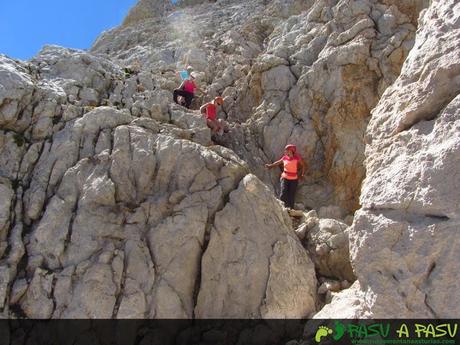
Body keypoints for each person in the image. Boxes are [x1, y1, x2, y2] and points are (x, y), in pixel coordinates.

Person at [265, 144, 305, 209]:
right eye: (286, 150)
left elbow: (303, 165)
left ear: (291, 151)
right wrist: (270, 166)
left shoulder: (297, 158)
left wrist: (302, 174)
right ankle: (281, 208)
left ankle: (291, 209)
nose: (285, 151)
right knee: (283, 192)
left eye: (287, 150)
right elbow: (277, 162)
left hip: (294, 179)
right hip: (285, 177)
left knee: (291, 195)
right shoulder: (284, 157)